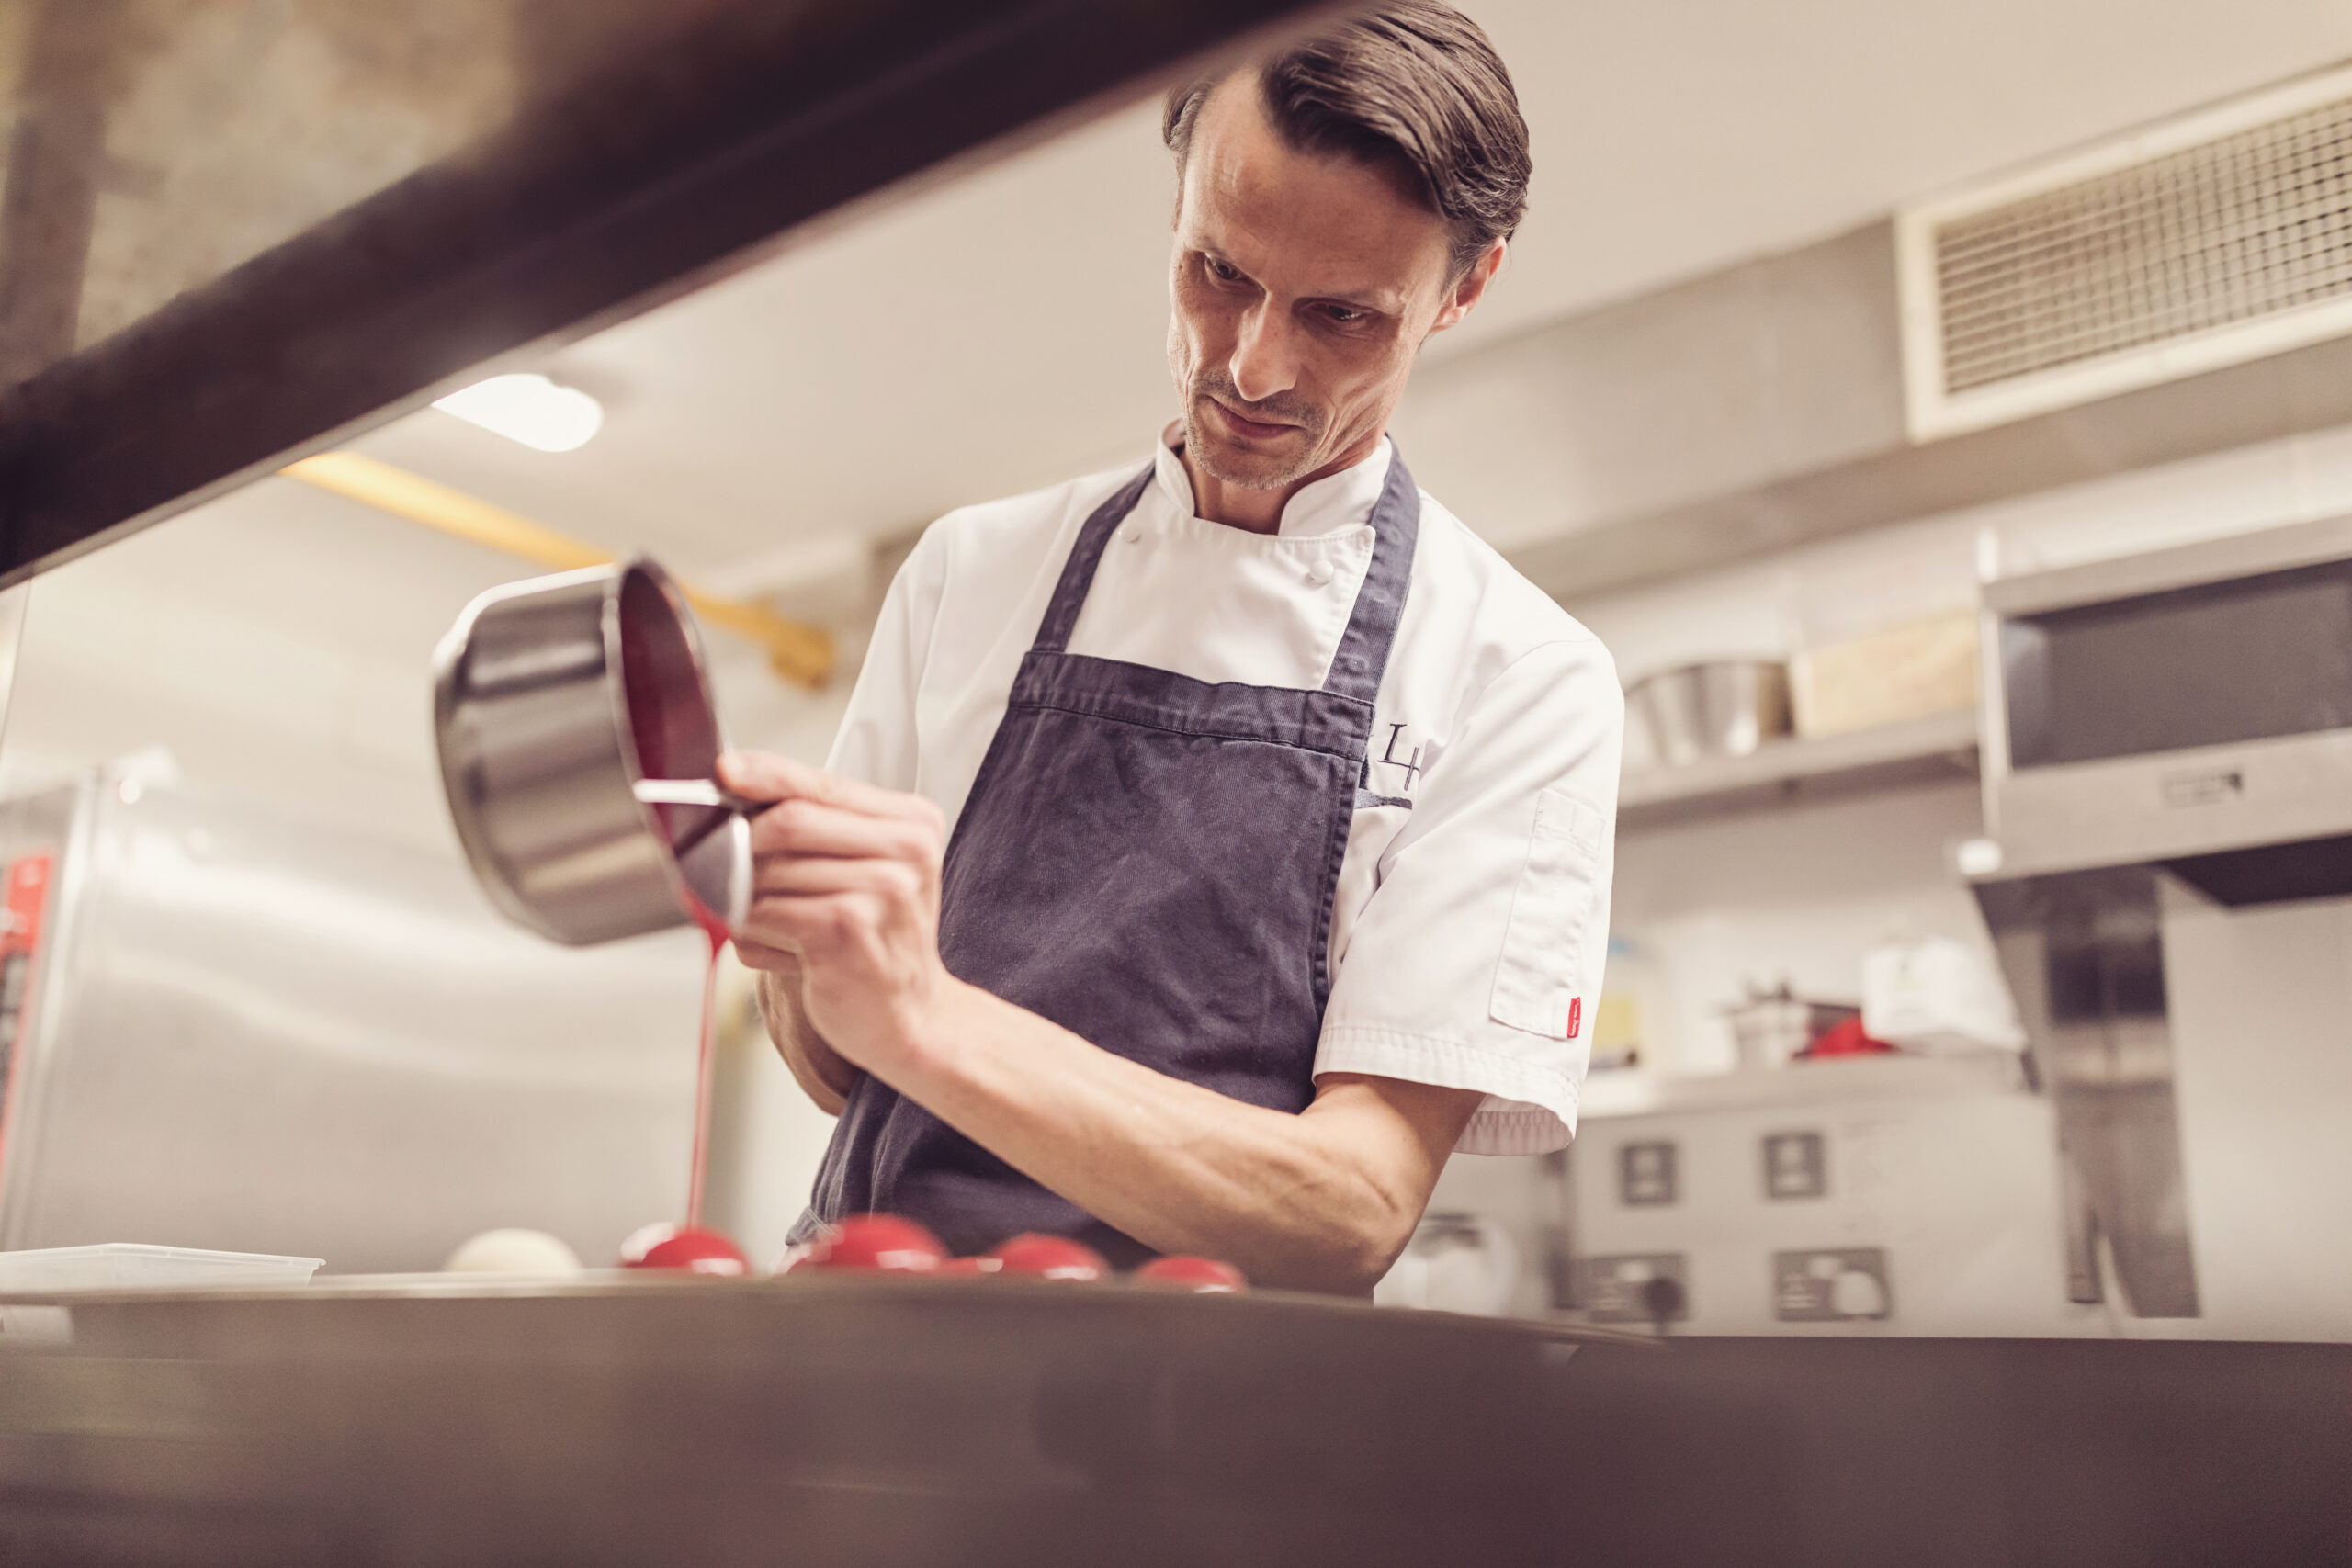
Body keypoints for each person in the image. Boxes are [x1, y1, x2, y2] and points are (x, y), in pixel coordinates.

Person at [721, 2, 1621, 1295]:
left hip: (1202, 1425)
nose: (1253, 365)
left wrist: (923, 1012)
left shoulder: (1518, 674)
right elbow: (843, 1076)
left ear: (1464, 288)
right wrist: (809, 961)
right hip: (869, 1345)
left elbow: (1352, 1207)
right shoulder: (969, 574)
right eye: (1220, 274)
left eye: (1343, 318)